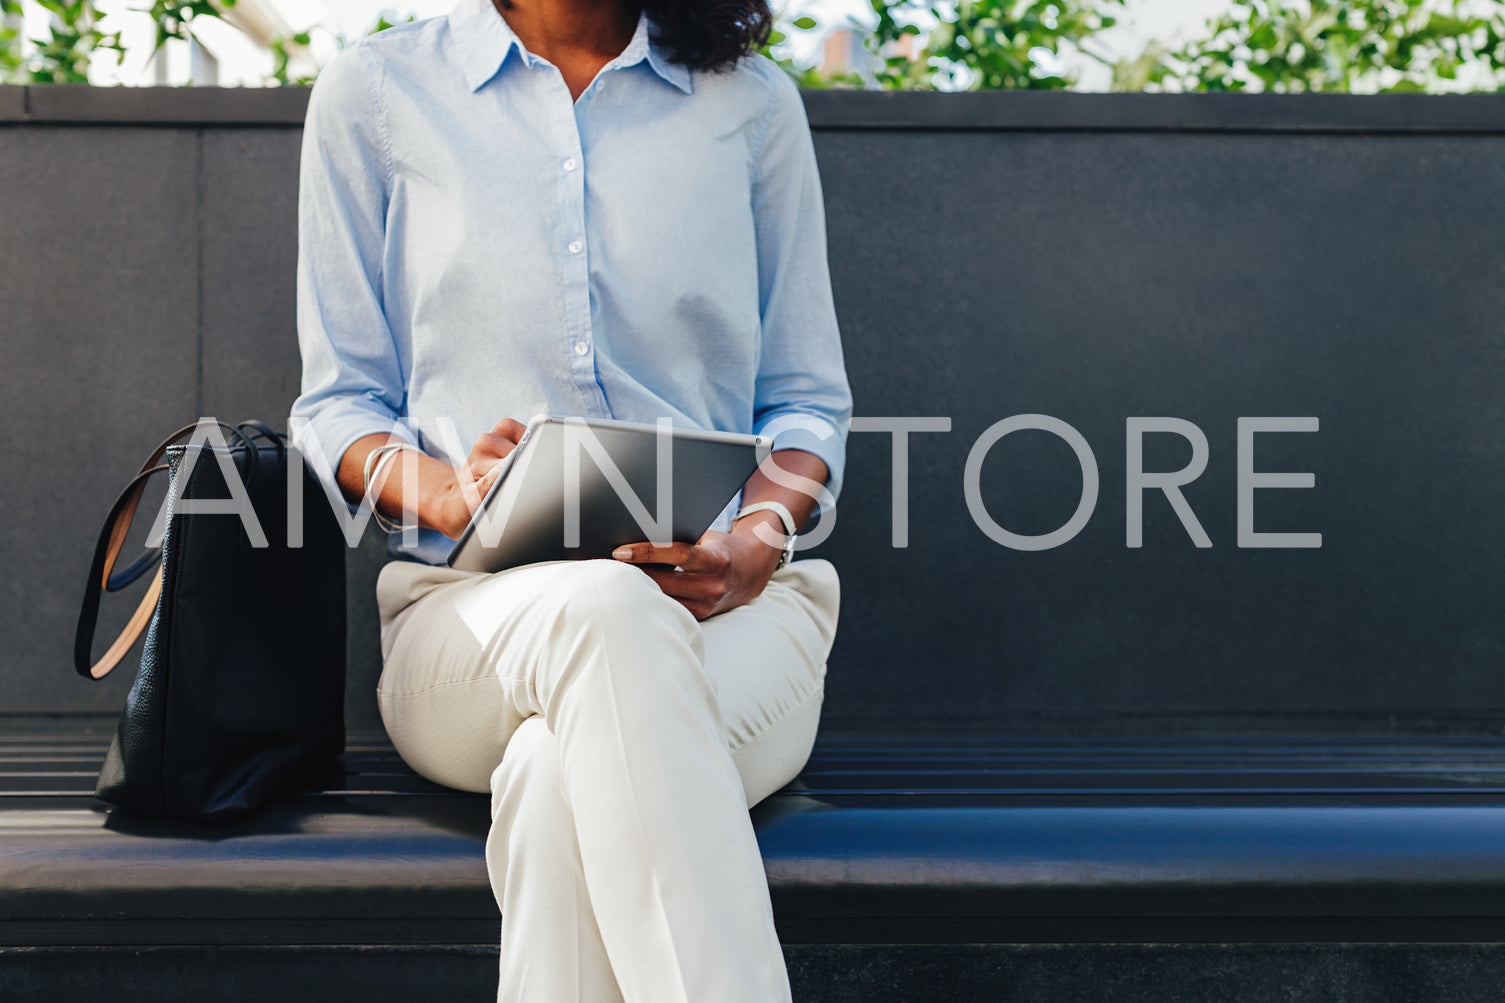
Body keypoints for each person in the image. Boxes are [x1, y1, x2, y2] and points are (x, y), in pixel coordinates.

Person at [290, 0, 852, 998]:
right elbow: (339, 401)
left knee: (558, 784)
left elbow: (805, 403)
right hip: (464, 626)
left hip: (731, 618)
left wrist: (758, 535)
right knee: (602, 604)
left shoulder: (751, 106)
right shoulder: (377, 92)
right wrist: (446, 491)